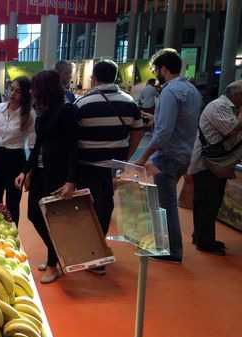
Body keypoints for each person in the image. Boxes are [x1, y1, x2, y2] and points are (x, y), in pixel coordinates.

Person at [75, 60, 144, 274]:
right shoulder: (129, 102)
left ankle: (95, 255)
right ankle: (98, 249)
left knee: (90, 210)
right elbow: (137, 132)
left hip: (88, 166)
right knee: (105, 208)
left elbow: (72, 137)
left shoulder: (83, 103)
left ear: (94, 78)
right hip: (114, 168)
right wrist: (124, 157)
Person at [134, 48, 202, 264]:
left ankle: (172, 250)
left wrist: (143, 156)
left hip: (168, 156)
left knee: (165, 205)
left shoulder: (170, 92)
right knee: (166, 202)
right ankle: (169, 247)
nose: (155, 74)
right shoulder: (192, 90)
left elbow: (163, 133)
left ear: (163, 69)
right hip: (184, 153)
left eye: (156, 70)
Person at [14, 70, 78, 284]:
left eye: (35, 88)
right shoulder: (43, 110)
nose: (31, 92)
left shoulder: (66, 111)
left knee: (52, 219)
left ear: (45, 89)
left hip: (57, 174)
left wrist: (70, 180)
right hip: (41, 171)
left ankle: (53, 264)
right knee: (34, 214)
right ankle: (56, 254)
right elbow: (38, 145)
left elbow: (72, 148)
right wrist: (25, 171)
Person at [188, 80, 242, 256]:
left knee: (211, 202)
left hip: (214, 163)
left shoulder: (226, 107)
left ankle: (201, 237)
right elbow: (232, 130)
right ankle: (204, 242)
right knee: (207, 203)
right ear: (237, 95)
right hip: (206, 163)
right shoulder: (219, 106)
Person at [0, 76, 35, 226]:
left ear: (25, 94)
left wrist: (29, 173)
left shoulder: (30, 114)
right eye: (11, 89)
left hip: (16, 160)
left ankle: (12, 233)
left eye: (18, 92)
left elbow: (33, 147)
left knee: (13, 203)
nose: (12, 94)